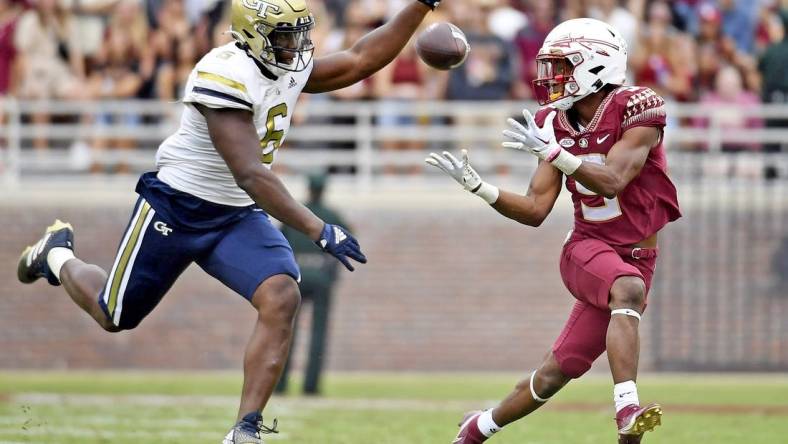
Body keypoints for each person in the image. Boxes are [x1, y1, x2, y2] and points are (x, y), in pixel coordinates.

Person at [16, 0, 444, 443]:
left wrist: (420, 5)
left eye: (300, 33)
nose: (296, 45)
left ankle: (245, 429)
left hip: (235, 212)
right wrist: (319, 228)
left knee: (281, 296)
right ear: (255, 36)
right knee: (114, 314)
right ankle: (58, 254)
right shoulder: (223, 71)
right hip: (177, 208)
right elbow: (251, 172)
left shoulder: (282, 61)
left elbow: (360, 60)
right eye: (286, 36)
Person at [427, 18, 681, 444]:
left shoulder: (639, 106)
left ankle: (476, 429)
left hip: (639, 257)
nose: (552, 77)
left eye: (563, 66)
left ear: (597, 65)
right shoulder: (551, 122)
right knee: (627, 289)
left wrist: (555, 153)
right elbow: (534, 209)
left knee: (555, 373)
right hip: (586, 249)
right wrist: (480, 187)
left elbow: (614, 179)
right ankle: (627, 409)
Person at [275, 172, 347, 395]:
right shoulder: (332, 215)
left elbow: (278, 242)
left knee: (285, 330)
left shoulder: (295, 213)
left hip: (295, 275)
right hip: (322, 276)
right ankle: (311, 386)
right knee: (318, 332)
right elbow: (346, 243)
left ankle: (280, 384)